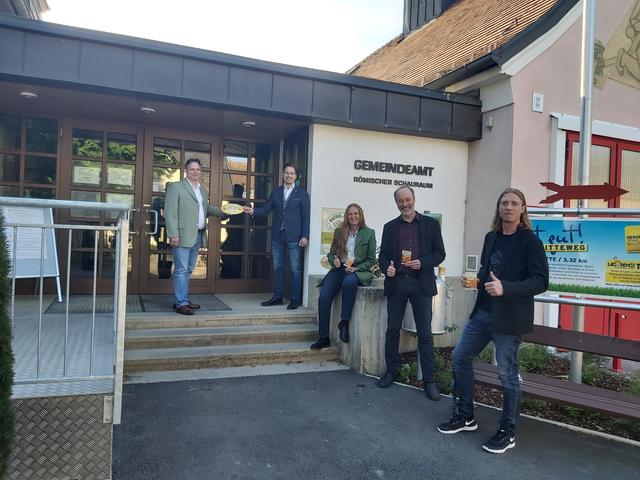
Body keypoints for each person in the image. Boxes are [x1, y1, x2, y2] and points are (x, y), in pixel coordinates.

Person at [437, 188, 549, 454]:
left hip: (509, 319)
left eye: (514, 203)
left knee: (507, 376)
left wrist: (506, 288)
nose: (508, 207)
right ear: (498, 209)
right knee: (460, 357)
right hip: (483, 314)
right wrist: (477, 281)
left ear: (522, 209)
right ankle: (466, 416)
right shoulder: (491, 238)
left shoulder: (530, 241)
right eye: (504, 203)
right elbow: (486, 271)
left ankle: (508, 432)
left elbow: (541, 281)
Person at [377, 186, 445, 401]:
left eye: (407, 200)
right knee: (392, 329)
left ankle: (429, 381)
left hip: (421, 284)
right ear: (396, 203)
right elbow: (383, 256)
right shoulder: (389, 227)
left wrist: (423, 263)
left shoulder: (431, 225)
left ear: (414, 199)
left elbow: (440, 254)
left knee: (425, 333)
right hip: (397, 284)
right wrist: (385, 268)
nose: (404, 204)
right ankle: (390, 372)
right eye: (400, 201)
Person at [310, 204, 376, 349]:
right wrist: (334, 260)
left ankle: (344, 323)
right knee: (324, 297)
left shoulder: (369, 233)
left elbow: (371, 260)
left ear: (360, 215)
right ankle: (323, 337)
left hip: (356, 271)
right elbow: (331, 253)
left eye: (356, 213)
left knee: (348, 283)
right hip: (339, 269)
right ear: (346, 216)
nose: (353, 216)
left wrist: (357, 268)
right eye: (350, 214)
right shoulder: (340, 231)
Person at [164, 158, 225, 315]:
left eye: (198, 169)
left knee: (189, 269)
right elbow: (170, 213)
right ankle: (181, 303)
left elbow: (206, 209)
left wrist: (224, 213)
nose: (195, 172)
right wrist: (173, 234)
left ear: (200, 171)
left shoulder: (201, 190)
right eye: (192, 169)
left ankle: (182, 299)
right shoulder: (176, 187)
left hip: (197, 235)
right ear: (186, 170)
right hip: (182, 235)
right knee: (181, 269)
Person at [245, 163, 310, 310]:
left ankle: (295, 299)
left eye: (291, 173)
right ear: (282, 174)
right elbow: (266, 209)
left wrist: (305, 235)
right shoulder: (276, 192)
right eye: (286, 173)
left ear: (295, 176)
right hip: (277, 236)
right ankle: (278, 297)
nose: (288, 175)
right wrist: (252, 211)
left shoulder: (302, 194)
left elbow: (306, 217)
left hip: (295, 236)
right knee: (277, 267)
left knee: (295, 268)